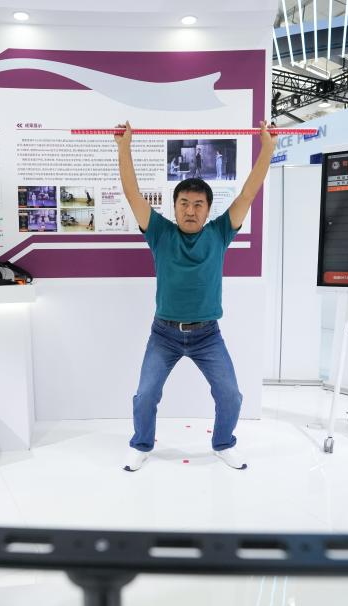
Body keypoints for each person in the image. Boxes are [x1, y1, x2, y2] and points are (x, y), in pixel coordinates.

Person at [115, 120, 277, 472]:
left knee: (230, 395)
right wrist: (124, 147)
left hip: (207, 336)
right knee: (146, 395)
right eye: (184, 203)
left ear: (208, 208)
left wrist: (268, 149)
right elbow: (132, 194)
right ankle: (141, 444)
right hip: (164, 334)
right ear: (174, 207)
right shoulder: (160, 233)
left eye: (198, 204)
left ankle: (223, 443)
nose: (191, 211)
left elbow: (247, 194)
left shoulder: (219, 233)